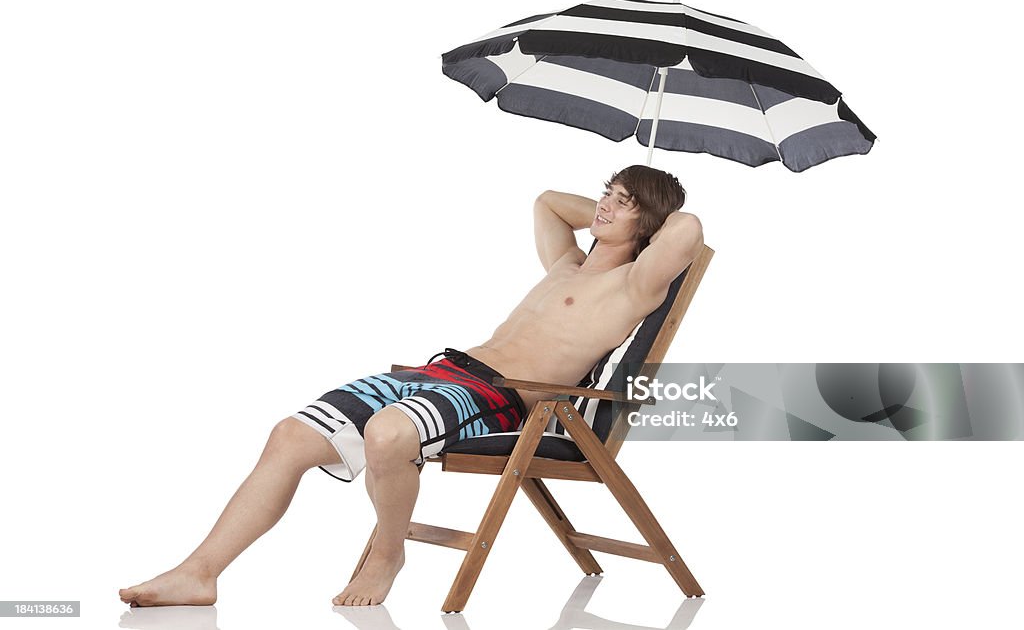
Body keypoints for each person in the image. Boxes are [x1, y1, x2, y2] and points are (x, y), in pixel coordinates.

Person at [118, 164, 703, 608]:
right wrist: (620, 206)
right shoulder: (565, 264)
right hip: (444, 371)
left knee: (389, 433)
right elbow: (548, 203)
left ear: (646, 224)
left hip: (506, 399)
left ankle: (388, 555)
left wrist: (648, 204)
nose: (601, 206)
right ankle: (201, 572)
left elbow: (687, 230)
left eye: (619, 204)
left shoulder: (635, 285)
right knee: (290, 436)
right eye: (604, 192)